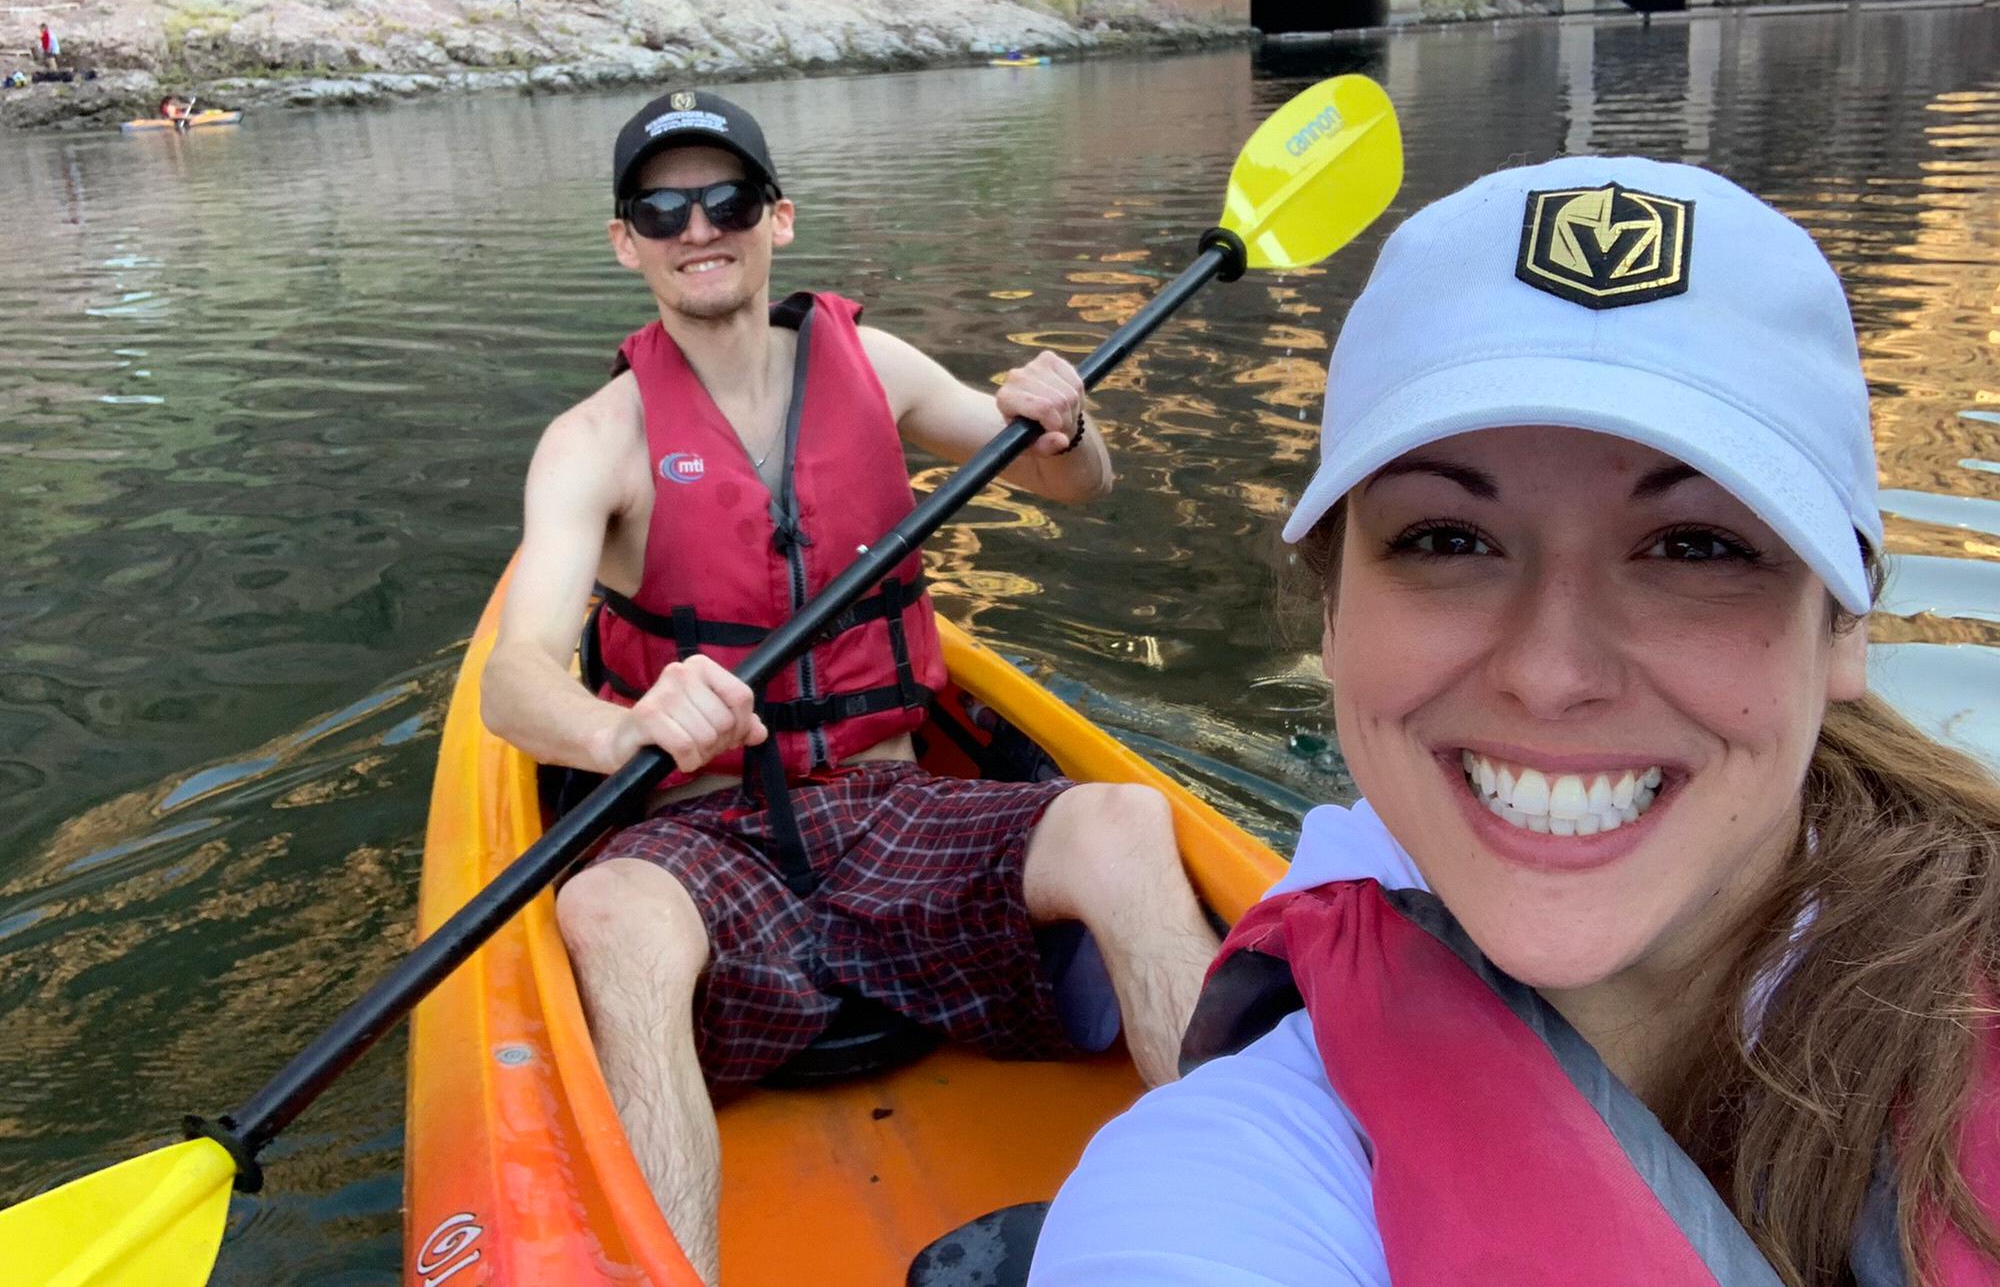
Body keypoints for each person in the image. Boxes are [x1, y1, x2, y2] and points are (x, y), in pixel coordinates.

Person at [1032, 158, 2000, 1285]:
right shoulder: (1216, 1191)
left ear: (1844, 629)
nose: (1549, 675)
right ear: (1332, 613)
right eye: (1447, 539)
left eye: (1694, 547)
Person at [480, 89, 1220, 1285]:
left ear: (776, 217)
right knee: (607, 911)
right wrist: (622, 728)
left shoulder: (872, 366)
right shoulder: (592, 441)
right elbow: (511, 685)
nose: (696, 227)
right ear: (625, 242)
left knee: (1122, 824)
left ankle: (1232, 1224)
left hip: (891, 812)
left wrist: (1064, 427)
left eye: (725, 198)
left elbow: (1073, 483)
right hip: (705, 840)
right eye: (661, 210)